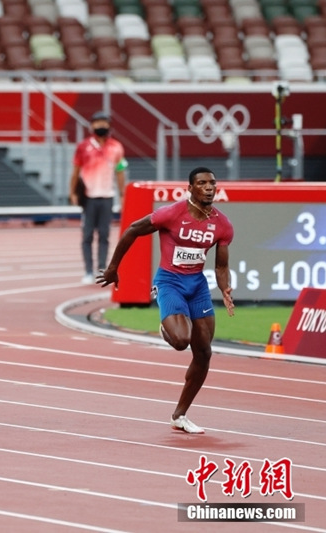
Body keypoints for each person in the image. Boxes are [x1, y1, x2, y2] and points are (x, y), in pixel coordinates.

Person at [96, 167, 235, 434]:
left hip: (197, 286)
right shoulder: (172, 213)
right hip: (170, 282)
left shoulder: (222, 224)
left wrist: (225, 288)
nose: (209, 188)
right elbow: (133, 230)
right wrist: (113, 268)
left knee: (204, 353)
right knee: (181, 340)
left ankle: (179, 415)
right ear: (190, 188)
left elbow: (221, 266)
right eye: (202, 183)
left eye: (212, 183)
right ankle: (165, 326)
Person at [69, 110, 128, 284]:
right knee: (87, 235)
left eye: (104, 122)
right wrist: (72, 192)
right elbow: (75, 172)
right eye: (97, 122)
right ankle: (88, 271)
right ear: (91, 126)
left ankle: (101, 269)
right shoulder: (83, 146)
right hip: (88, 197)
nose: (101, 125)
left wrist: (122, 194)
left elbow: (120, 172)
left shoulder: (116, 147)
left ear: (109, 125)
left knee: (104, 235)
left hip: (107, 197)